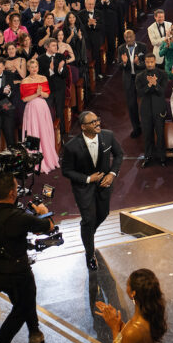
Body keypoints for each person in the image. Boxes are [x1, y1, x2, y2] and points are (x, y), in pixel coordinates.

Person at [0, 172, 55, 343]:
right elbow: (48, 227)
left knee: (22, 303)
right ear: (12, 194)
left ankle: (35, 333)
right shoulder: (19, 217)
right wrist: (44, 212)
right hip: (18, 272)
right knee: (22, 308)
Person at [60, 111, 122, 270]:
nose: (97, 124)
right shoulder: (71, 146)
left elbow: (119, 155)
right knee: (88, 220)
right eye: (93, 122)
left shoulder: (108, 136)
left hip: (104, 185)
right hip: (83, 188)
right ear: (83, 127)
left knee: (103, 214)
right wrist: (88, 179)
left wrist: (112, 174)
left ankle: (88, 234)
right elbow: (66, 170)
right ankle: (90, 254)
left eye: (97, 120)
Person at [136, 53, 169, 166]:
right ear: (145, 62)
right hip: (145, 110)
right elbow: (139, 93)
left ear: (155, 62)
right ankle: (148, 157)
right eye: (147, 62)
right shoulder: (139, 76)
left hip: (159, 109)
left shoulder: (163, 74)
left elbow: (162, 91)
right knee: (147, 135)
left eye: (151, 62)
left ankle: (162, 158)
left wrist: (155, 84)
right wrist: (149, 85)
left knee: (160, 134)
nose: (149, 64)